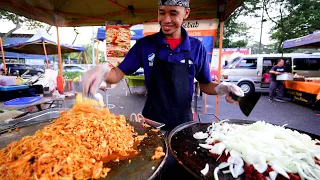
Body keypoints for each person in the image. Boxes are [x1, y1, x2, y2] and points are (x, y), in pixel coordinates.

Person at [83, 0, 244, 131]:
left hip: (184, 123)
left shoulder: (196, 48)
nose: (166, 20)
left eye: (173, 13)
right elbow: (116, 75)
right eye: (162, 12)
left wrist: (223, 88)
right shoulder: (145, 45)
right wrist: (102, 69)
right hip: (150, 122)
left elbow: (205, 84)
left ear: (186, 13)